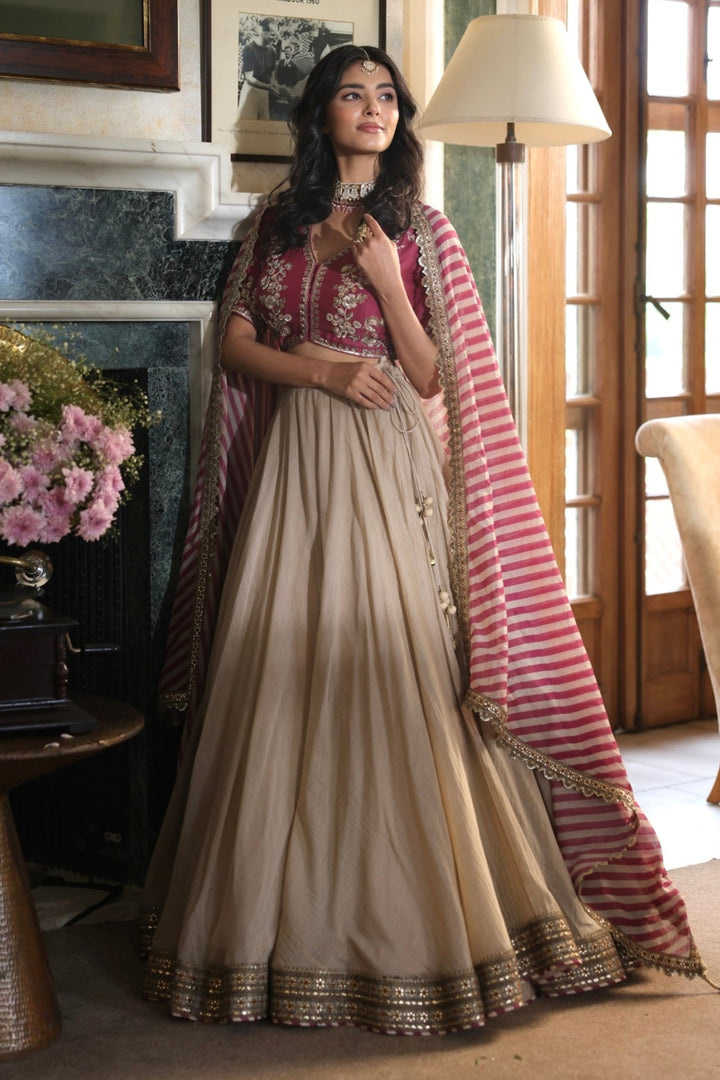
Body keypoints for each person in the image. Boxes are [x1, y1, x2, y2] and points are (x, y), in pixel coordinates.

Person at [141, 44, 713, 1034]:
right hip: (293, 473)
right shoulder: (271, 224)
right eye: (354, 95)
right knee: (274, 667)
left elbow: (434, 374)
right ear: (321, 115)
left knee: (391, 663)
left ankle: (415, 924)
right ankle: (261, 936)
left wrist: (385, 281)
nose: (374, 109)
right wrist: (317, 373)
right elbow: (232, 341)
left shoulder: (421, 229)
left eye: (386, 98)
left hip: (381, 469)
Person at [236, 18, 277, 121]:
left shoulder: (272, 51)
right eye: (272, 35)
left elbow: (271, 76)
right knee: (247, 128)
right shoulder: (250, 49)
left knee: (263, 128)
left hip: (265, 94)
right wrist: (268, 87)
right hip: (251, 93)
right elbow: (249, 78)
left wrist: (277, 86)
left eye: (276, 34)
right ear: (263, 31)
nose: (275, 38)